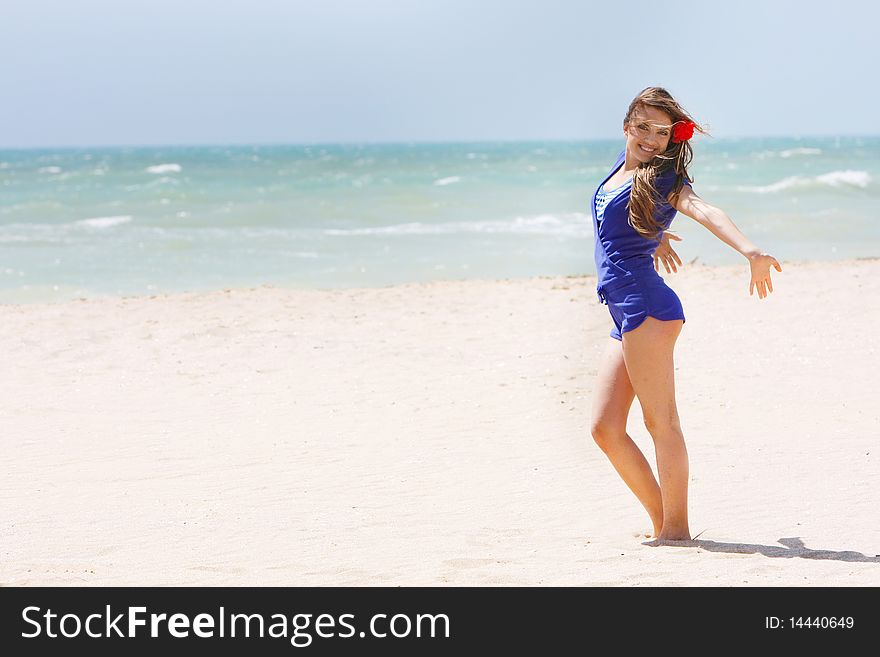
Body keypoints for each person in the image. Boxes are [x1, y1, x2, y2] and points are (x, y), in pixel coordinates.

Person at [589, 87, 782, 542]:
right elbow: (614, 224)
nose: (652, 139)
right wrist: (650, 234)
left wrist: (749, 250)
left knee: (662, 423)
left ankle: (675, 531)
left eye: (662, 132)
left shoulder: (663, 179)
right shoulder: (625, 173)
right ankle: (664, 524)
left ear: (672, 138)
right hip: (623, 310)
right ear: (626, 126)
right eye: (643, 127)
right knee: (605, 429)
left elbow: (702, 209)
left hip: (646, 308)